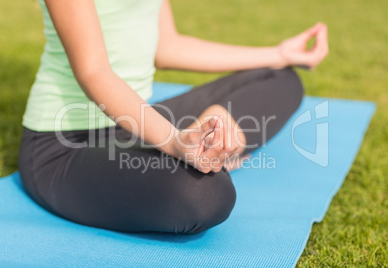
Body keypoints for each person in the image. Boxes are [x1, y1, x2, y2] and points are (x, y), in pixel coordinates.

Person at [18, 0, 328, 234]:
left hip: (137, 120)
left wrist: (279, 54)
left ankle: (217, 139)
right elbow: (94, 72)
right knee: (205, 194)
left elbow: (167, 46)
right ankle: (217, 149)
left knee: (280, 79)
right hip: (66, 145)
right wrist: (172, 141)